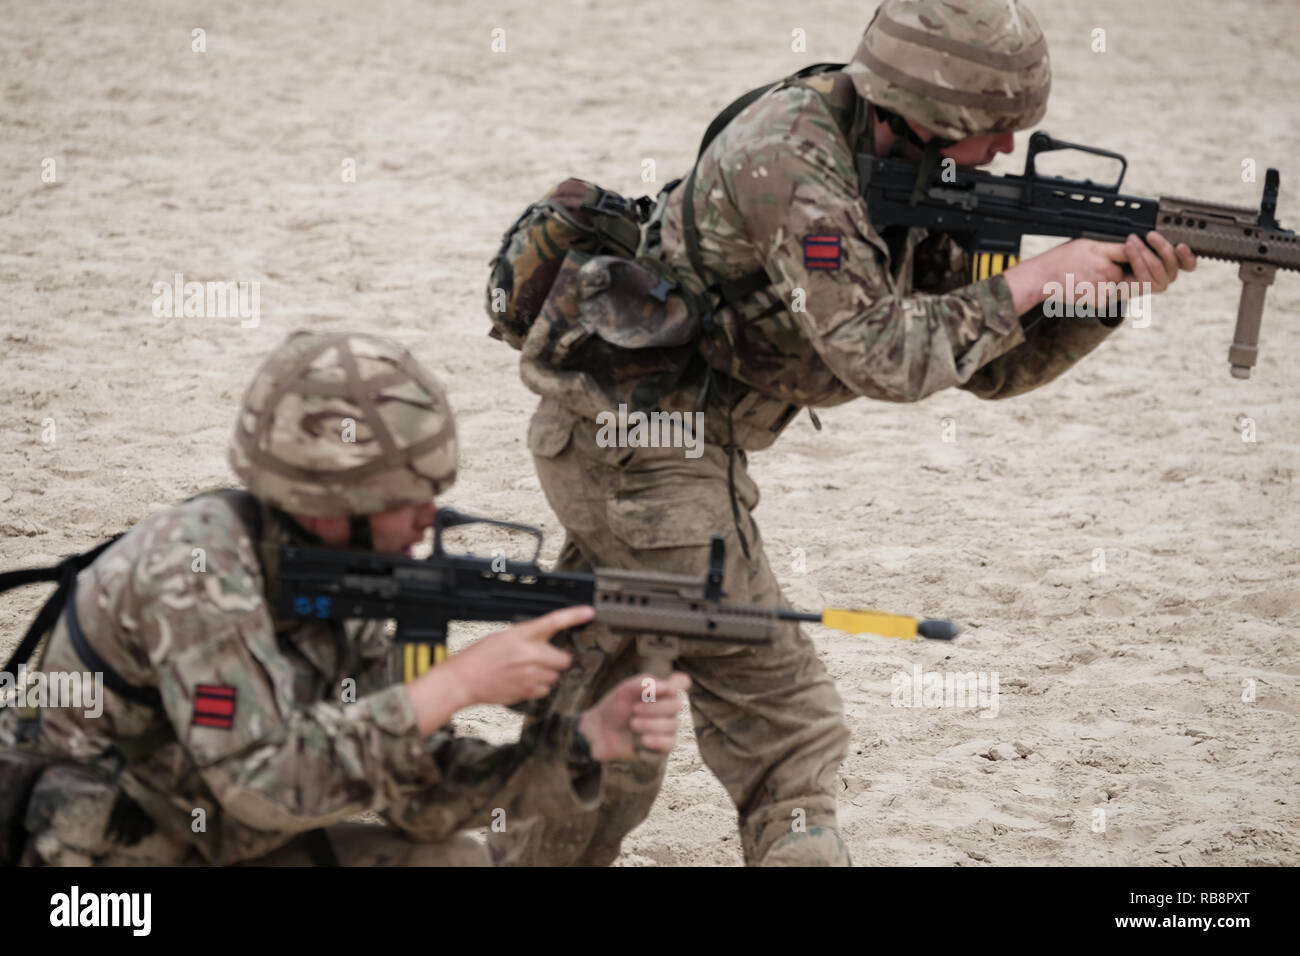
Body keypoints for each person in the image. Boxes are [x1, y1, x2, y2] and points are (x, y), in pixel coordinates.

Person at [491, 0, 1196, 866]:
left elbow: (985, 363)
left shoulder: (901, 161)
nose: (1007, 150)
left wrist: (1103, 293)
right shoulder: (791, 158)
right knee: (788, 733)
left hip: (635, 444)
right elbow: (885, 356)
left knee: (607, 719)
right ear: (933, 114)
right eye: (995, 129)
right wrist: (1042, 272)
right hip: (647, 456)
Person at [0, 330, 689, 866]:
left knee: (448, 862)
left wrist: (582, 746)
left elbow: (419, 801)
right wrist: (450, 687)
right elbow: (262, 783)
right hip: (97, 867)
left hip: (210, 841)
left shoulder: (336, 572)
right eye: (407, 497)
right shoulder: (196, 568)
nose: (429, 517)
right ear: (335, 501)